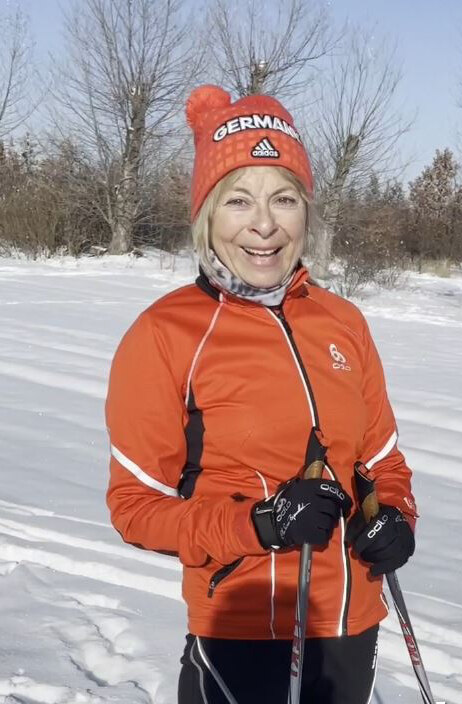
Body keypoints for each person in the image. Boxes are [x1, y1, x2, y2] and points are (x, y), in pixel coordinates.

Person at [105, 85, 418, 704]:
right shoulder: (166, 335)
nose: (265, 224)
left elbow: (383, 462)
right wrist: (262, 523)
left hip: (351, 625)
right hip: (241, 633)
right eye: (238, 200)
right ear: (207, 216)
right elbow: (135, 506)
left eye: (284, 199)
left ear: (306, 211)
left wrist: (396, 519)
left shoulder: (343, 323)